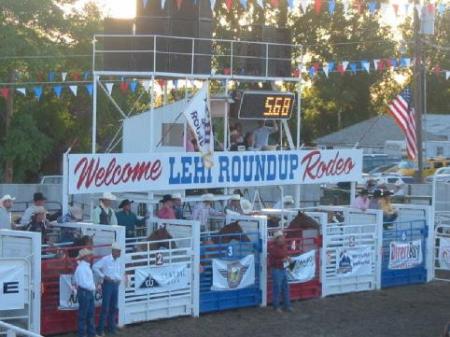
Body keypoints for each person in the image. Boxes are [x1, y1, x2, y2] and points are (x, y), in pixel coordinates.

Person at [93, 242, 123, 336]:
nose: (120, 253)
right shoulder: (106, 259)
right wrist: (104, 276)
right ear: (114, 251)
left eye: (119, 251)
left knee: (113, 307)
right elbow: (95, 267)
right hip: (108, 284)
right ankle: (101, 330)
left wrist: (119, 279)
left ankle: (111, 328)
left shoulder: (117, 261)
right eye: (118, 251)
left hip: (114, 284)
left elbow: (118, 272)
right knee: (105, 308)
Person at [73, 248, 96, 337]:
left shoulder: (83, 267)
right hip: (85, 292)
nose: (90, 257)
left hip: (86, 292)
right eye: (89, 255)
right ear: (85, 257)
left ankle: (89, 334)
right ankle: (84, 334)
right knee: (85, 315)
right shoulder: (82, 268)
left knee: (88, 314)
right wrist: (93, 287)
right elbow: (83, 283)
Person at [268, 230, 292, 313]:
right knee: (278, 288)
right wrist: (283, 260)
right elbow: (272, 261)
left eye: (282, 237)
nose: (283, 238)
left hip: (281, 268)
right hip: (277, 269)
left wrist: (287, 258)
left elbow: (275, 260)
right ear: (277, 239)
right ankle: (278, 306)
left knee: (284, 287)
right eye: (281, 237)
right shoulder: (273, 248)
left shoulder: (279, 246)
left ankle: (286, 305)